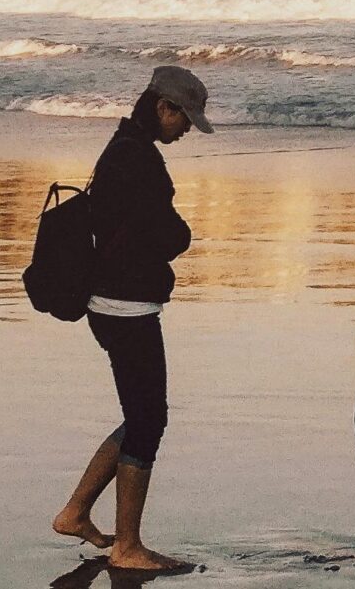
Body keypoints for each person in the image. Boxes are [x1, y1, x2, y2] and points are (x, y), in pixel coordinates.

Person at [50, 66, 212, 573]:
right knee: (149, 419)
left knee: (142, 414)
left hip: (111, 302)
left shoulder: (123, 147)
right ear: (163, 108)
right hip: (126, 306)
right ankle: (128, 546)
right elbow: (165, 235)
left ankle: (76, 512)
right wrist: (181, 234)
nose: (187, 129)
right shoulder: (138, 159)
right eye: (185, 118)